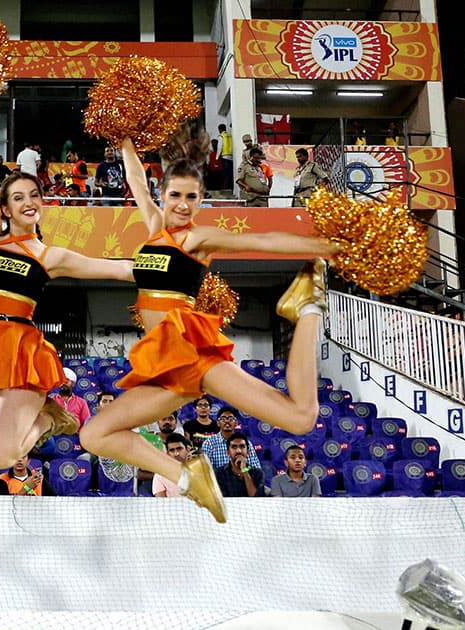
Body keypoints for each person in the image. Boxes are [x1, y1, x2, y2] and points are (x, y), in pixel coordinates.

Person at [78, 133, 339, 523]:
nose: (183, 205)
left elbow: (262, 240)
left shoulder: (197, 238)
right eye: (176, 196)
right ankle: (186, 477)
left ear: (201, 200)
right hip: (165, 362)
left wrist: (327, 247)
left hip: (194, 354)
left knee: (301, 418)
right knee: (94, 435)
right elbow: (136, 182)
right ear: (162, 195)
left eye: (192, 197)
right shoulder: (153, 232)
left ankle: (307, 307)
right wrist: (128, 141)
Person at [0, 130, 133, 477]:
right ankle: (38, 413)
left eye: (34, 195)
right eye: (18, 197)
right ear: (5, 208)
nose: (29, 202)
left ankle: (46, 418)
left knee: (0, 457)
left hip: (20, 348)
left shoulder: (48, 255)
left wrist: (172, 271)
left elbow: (116, 268)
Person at [201, 406, 261, 471]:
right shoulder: (209, 444)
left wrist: (245, 470)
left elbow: (256, 470)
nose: (227, 421)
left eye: (230, 418)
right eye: (223, 418)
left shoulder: (246, 443)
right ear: (218, 423)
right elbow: (208, 472)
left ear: (236, 423)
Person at [214, 432, 263, 498]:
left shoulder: (257, 473)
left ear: (248, 451)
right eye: (234, 447)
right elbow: (223, 499)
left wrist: (245, 470)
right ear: (227, 452)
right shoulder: (219, 474)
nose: (238, 451)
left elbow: (256, 498)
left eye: (242, 446)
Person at [217, 124, 234, 189]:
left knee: (226, 173)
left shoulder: (221, 136)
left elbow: (219, 147)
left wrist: (217, 158)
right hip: (231, 156)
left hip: (225, 157)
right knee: (230, 173)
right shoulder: (230, 135)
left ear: (220, 129)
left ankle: (226, 187)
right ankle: (231, 186)